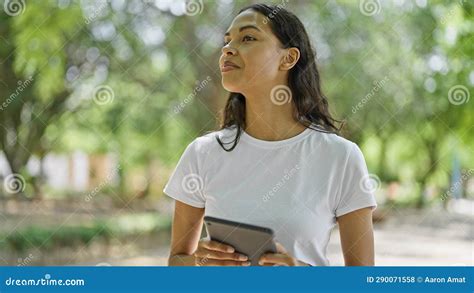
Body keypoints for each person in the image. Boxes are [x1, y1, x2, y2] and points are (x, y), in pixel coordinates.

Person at [164, 3, 377, 266]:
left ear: (288, 58)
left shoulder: (340, 157)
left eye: (248, 38)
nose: (227, 49)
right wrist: (200, 264)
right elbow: (176, 261)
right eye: (227, 40)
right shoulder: (202, 153)